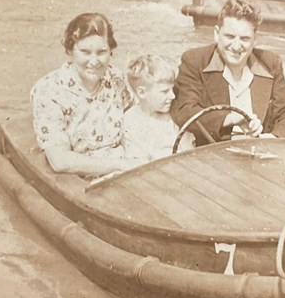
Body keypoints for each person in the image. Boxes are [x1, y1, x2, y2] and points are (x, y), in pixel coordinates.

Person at [171, 0, 285, 146]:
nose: (236, 46)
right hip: (212, 157)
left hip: (261, 154)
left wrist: (272, 139)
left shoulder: (270, 63)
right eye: (230, 37)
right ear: (216, 34)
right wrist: (229, 119)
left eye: (245, 38)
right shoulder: (195, 61)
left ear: (254, 39)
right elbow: (184, 111)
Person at [31, 13, 136, 177]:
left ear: (111, 51)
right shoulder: (49, 90)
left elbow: (134, 124)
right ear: (70, 50)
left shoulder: (116, 79)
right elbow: (59, 161)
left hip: (126, 170)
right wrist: (120, 165)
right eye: (85, 52)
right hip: (81, 179)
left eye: (101, 52)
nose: (94, 62)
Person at [123, 54, 194, 165]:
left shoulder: (175, 115)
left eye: (172, 89)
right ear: (142, 93)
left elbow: (189, 152)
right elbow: (137, 163)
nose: (173, 96)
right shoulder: (130, 122)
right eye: (165, 91)